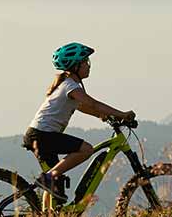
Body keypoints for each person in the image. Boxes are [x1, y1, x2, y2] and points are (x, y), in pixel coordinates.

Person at [23, 42, 135, 201]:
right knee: (86, 150)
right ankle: (47, 178)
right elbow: (93, 104)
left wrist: (103, 116)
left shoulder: (69, 85)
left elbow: (83, 107)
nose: (88, 66)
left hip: (40, 135)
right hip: (42, 136)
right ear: (75, 66)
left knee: (56, 190)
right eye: (85, 62)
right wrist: (122, 114)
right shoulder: (70, 86)